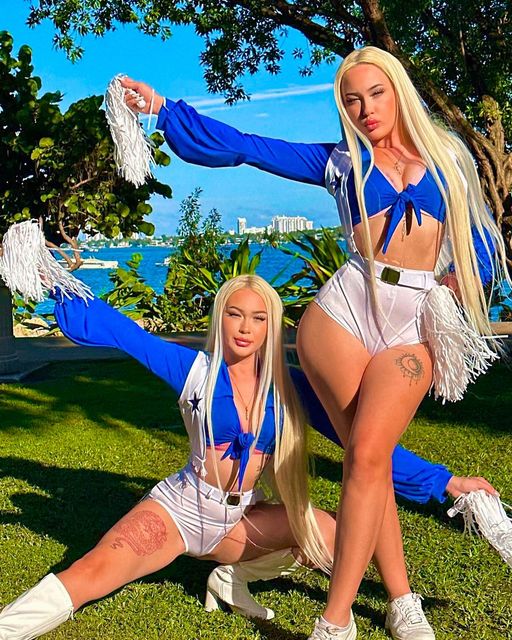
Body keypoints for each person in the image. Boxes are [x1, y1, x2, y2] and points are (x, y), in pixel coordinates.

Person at [119, 45, 508, 640]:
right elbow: (250, 147)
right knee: (365, 459)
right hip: (342, 315)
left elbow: (478, 232)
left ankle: (340, 619)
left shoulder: (448, 156)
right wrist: (165, 109)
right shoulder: (339, 163)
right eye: (352, 100)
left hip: (414, 320)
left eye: (375, 93)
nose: (365, 109)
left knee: (368, 456)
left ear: (398, 91)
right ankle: (395, 606)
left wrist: (462, 280)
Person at [0, 224, 498, 640]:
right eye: (235, 315)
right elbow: (123, 332)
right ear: (221, 319)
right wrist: (49, 279)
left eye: (258, 318)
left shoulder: (291, 389)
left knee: (343, 535)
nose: (244, 327)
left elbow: (367, 447)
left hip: (238, 522)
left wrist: (446, 482)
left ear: (270, 326)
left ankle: (230, 578)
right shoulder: (193, 369)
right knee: (88, 576)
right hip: (179, 513)